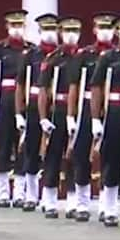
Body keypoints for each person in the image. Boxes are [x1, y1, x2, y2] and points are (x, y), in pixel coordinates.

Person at [89, 13, 120, 227]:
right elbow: (97, 87)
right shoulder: (108, 57)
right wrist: (96, 117)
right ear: (117, 32)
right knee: (111, 161)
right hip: (114, 111)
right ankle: (109, 208)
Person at [0, 10, 32, 207]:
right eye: (13, 25)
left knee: (23, 147)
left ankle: (20, 192)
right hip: (4, 101)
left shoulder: (31, 50)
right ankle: (3, 193)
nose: (17, 29)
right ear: (7, 26)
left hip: (25, 103)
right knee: (3, 146)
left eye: (20, 25)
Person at [14, 15, 58, 211]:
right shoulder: (30, 55)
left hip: (55, 107)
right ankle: (31, 194)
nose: (50, 33)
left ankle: (49, 197)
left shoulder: (61, 56)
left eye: (53, 29)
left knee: (52, 152)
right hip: (33, 106)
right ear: (40, 32)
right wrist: (19, 111)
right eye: (45, 29)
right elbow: (20, 84)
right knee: (31, 150)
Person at [37, 15, 77, 219]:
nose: (72, 35)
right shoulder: (53, 59)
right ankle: (50, 200)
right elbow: (43, 90)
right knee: (52, 157)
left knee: (74, 158)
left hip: (77, 112)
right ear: (61, 33)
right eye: (68, 31)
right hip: (57, 111)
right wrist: (43, 117)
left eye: (75, 31)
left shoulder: (82, 57)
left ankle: (72, 201)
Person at [64, 16, 97, 221]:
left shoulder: (114, 55)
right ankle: (81, 202)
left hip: (112, 108)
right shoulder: (85, 55)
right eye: (101, 27)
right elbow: (74, 88)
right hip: (86, 107)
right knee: (81, 156)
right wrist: (70, 115)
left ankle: (108, 206)